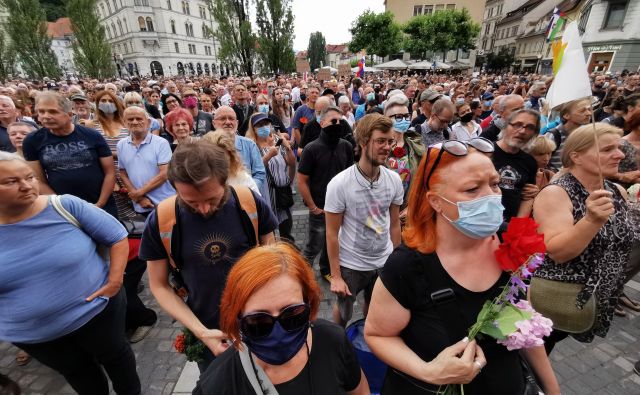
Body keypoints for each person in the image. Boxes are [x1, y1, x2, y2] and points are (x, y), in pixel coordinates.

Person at [364, 139, 560, 395]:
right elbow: (378, 335)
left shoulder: (511, 243)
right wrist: (428, 371)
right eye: (471, 190)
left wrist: (552, 389)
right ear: (436, 201)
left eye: (494, 183)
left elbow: (524, 326)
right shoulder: (408, 265)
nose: (491, 197)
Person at [0, 152, 141, 395]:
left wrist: (115, 281)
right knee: (79, 373)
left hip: (98, 313)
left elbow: (117, 236)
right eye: (10, 182)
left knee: (117, 357)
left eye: (30, 177)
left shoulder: (63, 205)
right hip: (37, 335)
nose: (25, 186)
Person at [140, 141, 278, 372]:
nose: (204, 209)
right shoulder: (162, 219)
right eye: (191, 202)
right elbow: (159, 285)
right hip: (209, 330)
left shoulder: (249, 203)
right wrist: (202, 333)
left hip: (261, 321)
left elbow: (272, 260)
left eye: (212, 199)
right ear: (175, 188)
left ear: (225, 181)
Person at [193, 243, 370, 395]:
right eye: (258, 322)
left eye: (293, 315)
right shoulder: (218, 383)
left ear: (309, 302)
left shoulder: (333, 341)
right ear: (236, 317)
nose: (278, 333)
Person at [532, 123, 635, 352]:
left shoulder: (615, 190)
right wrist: (590, 221)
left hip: (599, 295)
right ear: (576, 156)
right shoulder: (557, 193)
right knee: (539, 349)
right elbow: (557, 252)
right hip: (562, 297)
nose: (619, 154)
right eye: (607, 149)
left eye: (618, 148)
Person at [325, 114, 403, 328]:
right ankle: (340, 341)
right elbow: (331, 234)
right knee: (343, 312)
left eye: (390, 141)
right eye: (380, 141)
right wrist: (336, 277)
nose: (387, 147)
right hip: (351, 263)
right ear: (363, 141)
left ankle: (369, 339)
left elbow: (394, 223)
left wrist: (397, 260)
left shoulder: (394, 180)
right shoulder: (339, 184)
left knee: (375, 308)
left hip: (383, 260)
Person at [23, 92, 118, 219]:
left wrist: (100, 204)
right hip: (62, 211)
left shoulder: (91, 135)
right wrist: (60, 207)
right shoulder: (33, 141)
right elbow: (39, 180)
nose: (46, 116)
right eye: (41, 112)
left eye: (53, 112)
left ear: (69, 114)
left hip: (101, 205)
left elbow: (109, 172)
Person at [245, 113, 296, 241]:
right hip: (266, 196)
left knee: (286, 231)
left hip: (282, 193)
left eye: (266, 124)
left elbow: (291, 163)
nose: (264, 127)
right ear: (253, 128)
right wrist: (268, 156)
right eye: (259, 125)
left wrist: (287, 147)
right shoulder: (251, 145)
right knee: (269, 233)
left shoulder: (276, 141)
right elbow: (250, 172)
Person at [117, 106, 175, 214]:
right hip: (141, 205)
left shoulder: (161, 143)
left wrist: (138, 193)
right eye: (130, 119)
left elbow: (164, 174)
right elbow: (123, 172)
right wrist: (139, 198)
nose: (134, 122)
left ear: (148, 122)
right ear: (124, 122)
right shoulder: (121, 145)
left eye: (139, 119)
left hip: (165, 203)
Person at [383, 94, 425, 225]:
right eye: (399, 117)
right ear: (386, 119)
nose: (405, 120)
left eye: (407, 116)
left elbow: (424, 182)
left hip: (410, 214)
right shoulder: (376, 148)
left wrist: (411, 207)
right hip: (383, 215)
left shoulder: (417, 147)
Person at [492, 109, 540, 221]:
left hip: (510, 225)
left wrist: (517, 226)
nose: (523, 131)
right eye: (517, 125)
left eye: (530, 127)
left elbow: (528, 196)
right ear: (506, 126)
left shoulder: (530, 162)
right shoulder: (485, 152)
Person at [213, 105, 266, 190]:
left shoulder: (249, 145)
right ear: (214, 123)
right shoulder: (206, 146)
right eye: (222, 119)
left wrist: (248, 192)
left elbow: (259, 174)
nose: (228, 122)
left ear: (237, 123)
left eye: (231, 118)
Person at [201, 130, 261, 195]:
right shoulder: (197, 179)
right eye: (214, 157)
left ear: (231, 156)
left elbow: (256, 203)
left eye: (223, 156)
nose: (219, 161)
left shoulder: (242, 179)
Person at [545, 98, 593, 170]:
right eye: (582, 111)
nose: (589, 113)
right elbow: (542, 162)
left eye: (589, 109)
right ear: (566, 115)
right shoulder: (554, 135)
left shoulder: (587, 134)